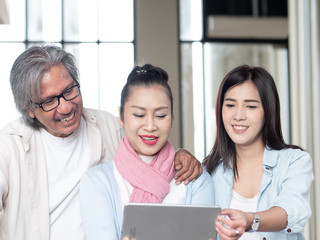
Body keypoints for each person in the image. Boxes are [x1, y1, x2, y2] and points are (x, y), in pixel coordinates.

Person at [0, 44, 202, 240]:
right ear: (29, 109)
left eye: (70, 90)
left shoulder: (107, 126)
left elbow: (149, 145)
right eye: (50, 101)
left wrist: (180, 154)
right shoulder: (9, 147)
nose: (65, 108)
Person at [79, 64, 215, 240]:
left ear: (172, 117)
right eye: (138, 115)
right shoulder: (97, 181)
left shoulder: (196, 180)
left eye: (160, 116)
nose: (150, 126)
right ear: (121, 117)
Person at [203, 65, 314, 240]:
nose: (238, 116)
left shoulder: (294, 161)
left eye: (251, 106)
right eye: (230, 105)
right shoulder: (209, 169)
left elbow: (294, 209)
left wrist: (251, 220)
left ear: (268, 112)